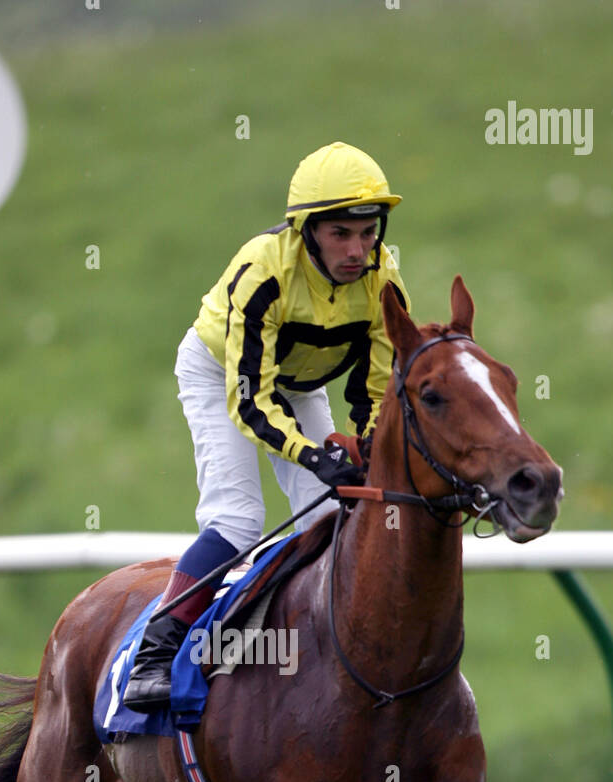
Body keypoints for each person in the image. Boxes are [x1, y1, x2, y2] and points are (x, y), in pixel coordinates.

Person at [123, 140, 409, 711]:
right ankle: (156, 651)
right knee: (238, 519)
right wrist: (312, 454)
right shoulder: (264, 271)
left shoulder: (383, 279)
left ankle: (324, 646)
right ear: (306, 231)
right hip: (223, 374)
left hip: (300, 382)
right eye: (340, 235)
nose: (358, 250)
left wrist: (370, 444)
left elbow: (377, 387)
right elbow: (251, 399)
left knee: (331, 517)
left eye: (368, 231)